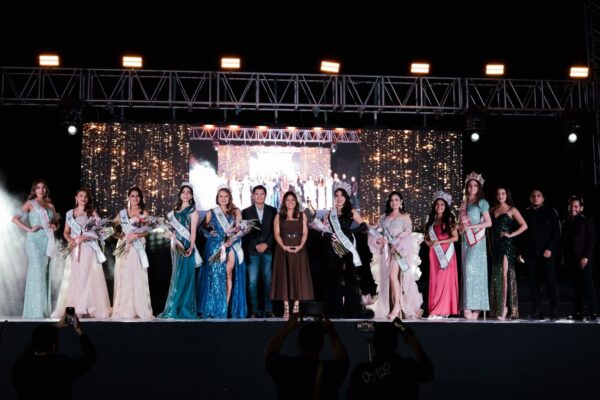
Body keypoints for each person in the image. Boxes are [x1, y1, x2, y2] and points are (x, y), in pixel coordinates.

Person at [52, 188, 111, 319]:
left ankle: (88, 306)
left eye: (86, 196)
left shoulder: (92, 212)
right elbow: (65, 232)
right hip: (75, 248)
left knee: (87, 275)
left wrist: (85, 237)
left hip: (88, 247)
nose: (83, 198)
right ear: (76, 197)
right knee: (77, 276)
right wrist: (70, 240)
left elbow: (100, 232)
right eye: (81, 196)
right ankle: (77, 306)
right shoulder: (70, 214)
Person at [265, 313, 349, 400]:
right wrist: (332, 333)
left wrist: (287, 328)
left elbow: (269, 352)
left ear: (298, 343)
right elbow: (343, 360)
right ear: (322, 345)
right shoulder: (330, 372)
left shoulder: (284, 367)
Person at [12, 314, 96, 400]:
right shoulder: (61, 364)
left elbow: (32, 345)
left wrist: (55, 326)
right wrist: (78, 329)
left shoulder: (20, 365)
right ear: (54, 346)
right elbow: (90, 357)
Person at [368, 191, 423, 319]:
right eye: (392, 200)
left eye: (397, 199)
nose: (394, 202)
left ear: (401, 201)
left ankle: (397, 306)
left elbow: (407, 233)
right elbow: (377, 233)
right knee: (388, 279)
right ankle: (392, 306)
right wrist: (379, 240)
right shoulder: (383, 217)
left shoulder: (405, 217)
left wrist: (396, 244)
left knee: (393, 276)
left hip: (399, 250)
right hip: (387, 251)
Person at [347, 321, 433, 400]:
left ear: (373, 344)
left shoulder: (360, 371)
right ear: (396, 344)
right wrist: (411, 338)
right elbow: (428, 373)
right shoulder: (407, 366)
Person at [322, 188, 372, 318]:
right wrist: (327, 234)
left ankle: (351, 309)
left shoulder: (351, 211)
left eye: (342, 195)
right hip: (334, 246)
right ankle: (336, 308)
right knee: (335, 278)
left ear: (346, 197)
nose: (339, 198)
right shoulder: (330, 213)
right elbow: (324, 229)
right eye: (337, 195)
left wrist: (350, 232)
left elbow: (364, 226)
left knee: (349, 278)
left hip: (347, 245)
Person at [12, 179, 59, 318]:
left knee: (43, 272)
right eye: (38, 187)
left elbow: (56, 223)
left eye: (43, 187)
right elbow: (15, 218)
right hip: (33, 241)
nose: (41, 190)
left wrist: (54, 226)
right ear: (34, 190)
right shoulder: (30, 203)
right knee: (37, 270)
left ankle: (41, 310)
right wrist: (29, 229)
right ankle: (34, 312)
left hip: (47, 240)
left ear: (46, 190)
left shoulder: (50, 205)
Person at [198, 187, 247, 318]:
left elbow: (241, 229)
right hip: (215, 246)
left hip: (230, 245)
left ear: (229, 198)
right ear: (217, 198)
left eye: (226, 196)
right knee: (215, 276)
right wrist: (209, 232)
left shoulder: (236, 211)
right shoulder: (212, 212)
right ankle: (214, 306)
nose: (223, 199)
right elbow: (202, 229)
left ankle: (224, 306)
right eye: (221, 196)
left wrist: (232, 238)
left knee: (227, 274)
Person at [111, 187, 154, 319]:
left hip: (137, 245)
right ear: (129, 198)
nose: (135, 198)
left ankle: (135, 307)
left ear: (141, 198)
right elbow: (113, 225)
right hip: (124, 244)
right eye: (132, 196)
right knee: (123, 273)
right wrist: (119, 234)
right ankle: (122, 307)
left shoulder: (143, 212)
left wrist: (136, 235)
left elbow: (147, 231)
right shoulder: (123, 213)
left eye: (137, 196)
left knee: (135, 273)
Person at [160, 183, 201, 319]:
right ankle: (174, 306)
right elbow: (168, 230)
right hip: (176, 245)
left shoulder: (193, 211)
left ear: (191, 195)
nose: (186, 194)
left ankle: (184, 307)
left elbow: (193, 230)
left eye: (188, 192)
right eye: (183, 192)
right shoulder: (174, 212)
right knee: (176, 275)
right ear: (180, 194)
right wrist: (168, 235)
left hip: (186, 245)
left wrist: (191, 246)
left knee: (186, 277)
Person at [271, 191, 314, 318]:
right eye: (288, 200)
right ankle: (286, 307)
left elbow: (305, 233)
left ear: (296, 202)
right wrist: (284, 246)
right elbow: (276, 234)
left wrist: (300, 246)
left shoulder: (302, 215)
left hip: (298, 249)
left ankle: (296, 305)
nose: (290, 202)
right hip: (283, 249)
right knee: (284, 277)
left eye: (293, 200)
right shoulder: (279, 216)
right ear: (284, 202)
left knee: (297, 276)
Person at [519, 189, 561, 319]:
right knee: (533, 283)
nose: (536, 198)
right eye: (533, 196)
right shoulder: (524, 213)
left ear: (543, 199)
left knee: (550, 282)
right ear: (530, 198)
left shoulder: (551, 212)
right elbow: (520, 234)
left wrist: (550, 248)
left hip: (547, 253)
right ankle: (537, 311)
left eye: (538, 196)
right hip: (530, 254)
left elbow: (556, 232)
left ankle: (554, 310)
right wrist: (520, 252)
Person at [489, 187, 527, 320]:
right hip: (495, 245)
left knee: (504, 275)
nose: (500, 196)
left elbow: (524, 225)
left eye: (503, 193)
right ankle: (498, 307)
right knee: (497, 275)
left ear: (507, 195)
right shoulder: (492, 210)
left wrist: (511, 234)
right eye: (498, 194)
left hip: (506, 245)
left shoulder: (512, 209)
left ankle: (504, 307)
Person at [458, 172, 491, 319]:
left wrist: (472, 227)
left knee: (473, 270)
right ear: (467, 187)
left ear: (479, 187)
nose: (472, 188)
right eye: (470, 185)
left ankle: (477, 307)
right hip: (466, 240)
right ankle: (467, 306)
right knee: (466, 272)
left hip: (477, 240)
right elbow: (461, 223)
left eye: (475, 185)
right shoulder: (463, 203)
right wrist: (460, 228)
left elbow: (489, 223)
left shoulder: (481, 202)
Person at [242, 185, 277, 318]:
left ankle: (269, 309)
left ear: (265, 195)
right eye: (256, 194)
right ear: (253, 196)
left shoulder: (272, 210)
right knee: (252, 283)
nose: (259, 196)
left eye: (262, 194)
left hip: (268, 250)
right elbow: (245, 233)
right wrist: (256, 244)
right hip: (253, 251)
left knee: (268, 282)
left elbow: (275, 231)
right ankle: (254, 310)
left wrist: (266, 244)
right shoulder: (246, 211)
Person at [424, 191, 459, 318]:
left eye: (442, 204)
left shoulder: (449, 219)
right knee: (435, 281)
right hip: (434, 254)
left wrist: (440, 241)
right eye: (437, 204)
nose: (439, 207)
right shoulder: (431, 221)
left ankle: (443, 310)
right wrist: (428, 242)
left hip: (446, 253)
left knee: (444, 281)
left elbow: (455, 238)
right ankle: (435, 309)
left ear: (446, 206)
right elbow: (426, 237)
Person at [561, 196, 596, 321]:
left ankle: (593, 313)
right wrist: (564, 258)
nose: (573, 209)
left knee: (588, 286)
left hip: (584, 258)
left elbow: (591, 240)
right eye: (571, 206)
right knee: (577, 287)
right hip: (572, 259)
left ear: (581, 208)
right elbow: (564, 242)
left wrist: (586, 256)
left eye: (576, 206)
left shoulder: (586, 220)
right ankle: (578, 313)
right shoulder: (565, 223)